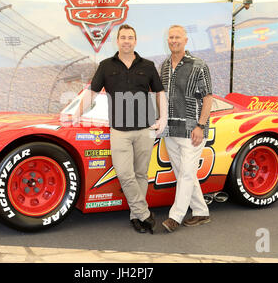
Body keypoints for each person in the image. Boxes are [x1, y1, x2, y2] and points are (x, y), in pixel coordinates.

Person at [74, 24, 167, 234]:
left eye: (130, 37)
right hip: (119, 131)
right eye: (123, 37)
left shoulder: (149, 65)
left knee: (141, 174)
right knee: (125, 174)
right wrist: (75, 115)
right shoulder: (106, 66)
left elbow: (159, 93)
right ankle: (144, 213)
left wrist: (163, 117)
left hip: (145, 129)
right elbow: (92, 93)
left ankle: (136, 217)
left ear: (135, 41)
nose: (127, 41)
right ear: (117, 41)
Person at [160, 25, 213, 233]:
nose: (174, 40)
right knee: (184, 172)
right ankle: (201, 211)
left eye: (178, 37)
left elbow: (208, 98)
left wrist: (200, 125)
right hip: (170, 130)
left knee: (186, 175)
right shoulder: (164, 65)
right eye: (171, 37)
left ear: (185, 40)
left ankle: (176, 216)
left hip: (192, 130)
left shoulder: (199, 65)